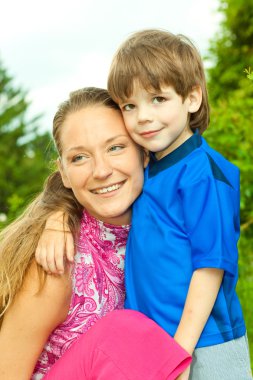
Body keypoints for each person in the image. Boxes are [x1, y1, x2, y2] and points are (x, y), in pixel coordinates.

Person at [37, 30, 252, 379]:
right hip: (157, 342)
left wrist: (179, 353)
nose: (144, 117)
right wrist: (57, 217)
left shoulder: (204, 174)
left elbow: (211, 269)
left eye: (158, 99)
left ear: (192, 98)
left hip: (204, 343)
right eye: (130, 106)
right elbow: (88, 191)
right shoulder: (149, 166)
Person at [0, 87, 191, 379]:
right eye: (79, 158)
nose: (101, 170)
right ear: (63, 172)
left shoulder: (168, 225)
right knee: (121, 332)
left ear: (143, 151)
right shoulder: (57, 262)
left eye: (115, 147)